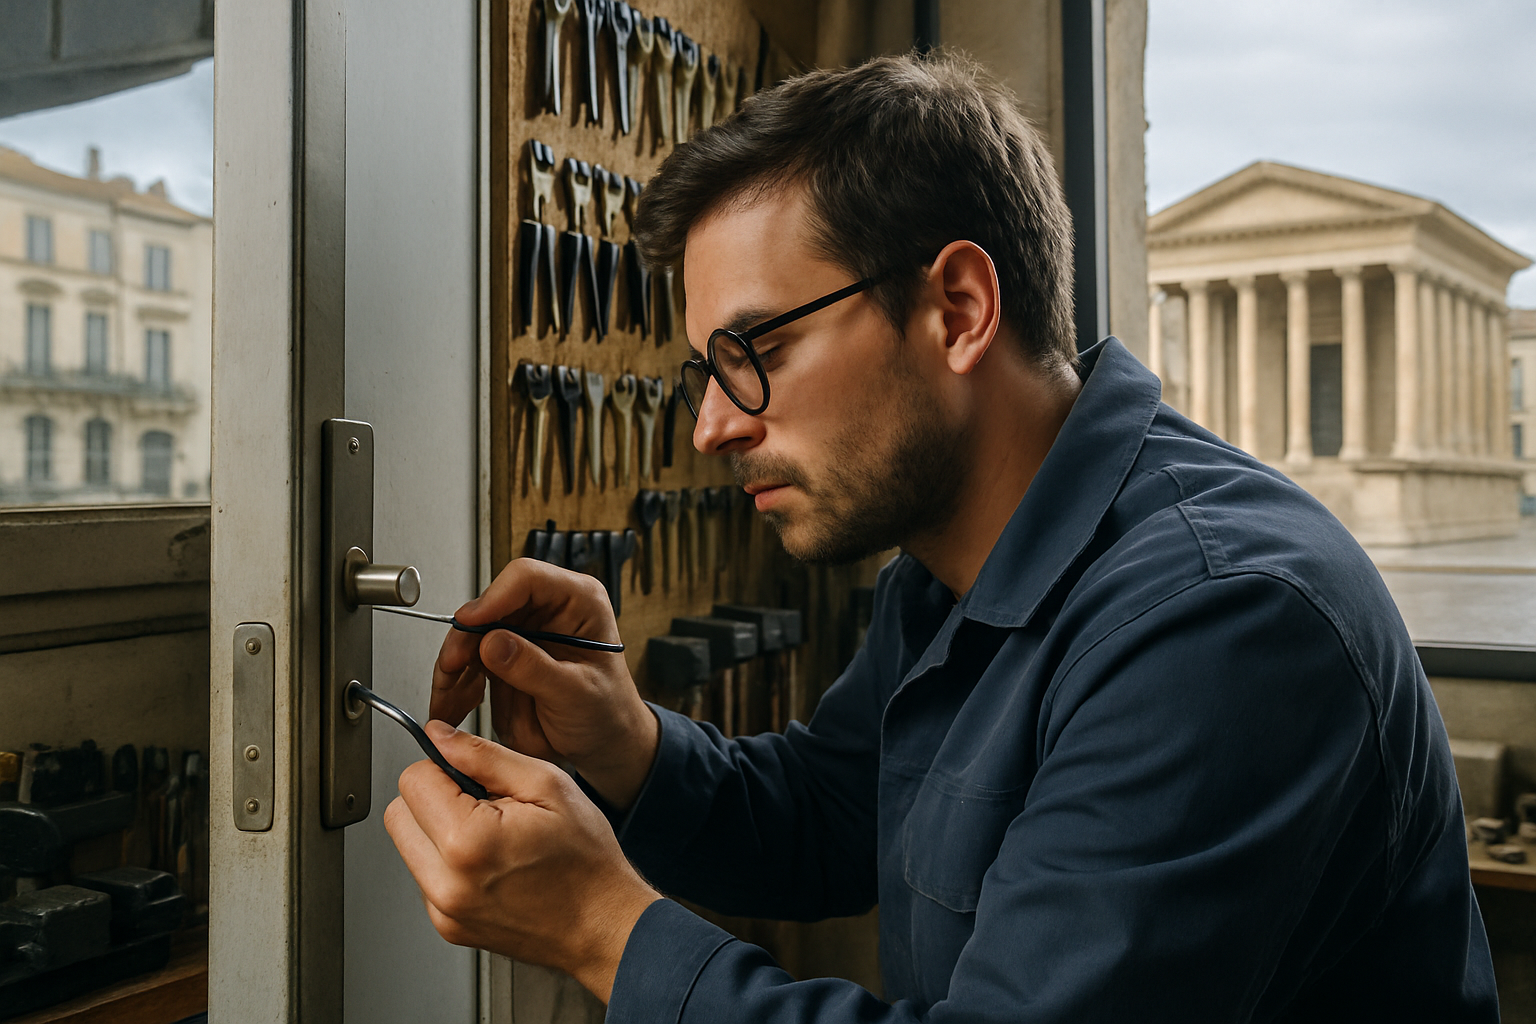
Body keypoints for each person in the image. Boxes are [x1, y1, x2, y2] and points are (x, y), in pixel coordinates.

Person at [384, 53, 1498, 1021]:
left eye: (751, 350)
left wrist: (599, 926)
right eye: (701, 372)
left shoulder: (1224, 620)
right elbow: (834, 812)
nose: (713, 425)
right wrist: (626, 742)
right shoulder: (948, 566)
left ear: (959, 308)